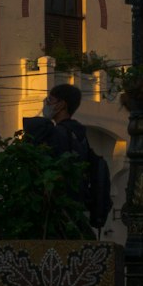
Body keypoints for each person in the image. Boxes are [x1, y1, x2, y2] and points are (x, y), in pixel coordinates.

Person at [22, 83, 107, 231]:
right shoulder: (80, 136)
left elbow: (31, 145)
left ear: (61, 105)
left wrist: (45, 120)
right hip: (77, 206)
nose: (46, 104)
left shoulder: (57, 133)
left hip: (54, 208)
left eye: (50, 100)